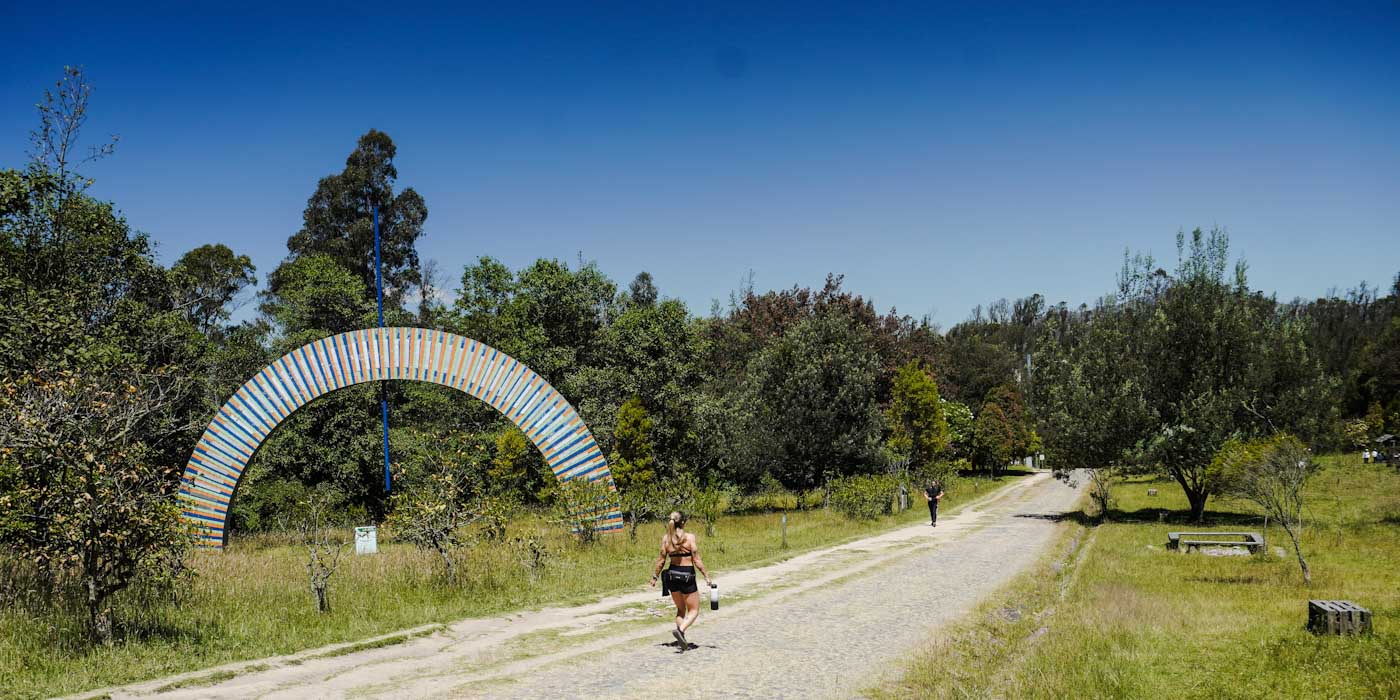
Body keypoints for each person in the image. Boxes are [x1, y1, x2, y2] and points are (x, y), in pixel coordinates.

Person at [649, 511, 713, 651]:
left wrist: (655, 577)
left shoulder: (666, 539)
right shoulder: (689, 538)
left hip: (671, 575)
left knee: (680, 609)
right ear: (683, 522)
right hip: (687, 575)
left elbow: (661, 560)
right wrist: (706, 576)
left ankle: (681, 638)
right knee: (694, 610)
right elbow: (696, 559)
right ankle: (681, 630)